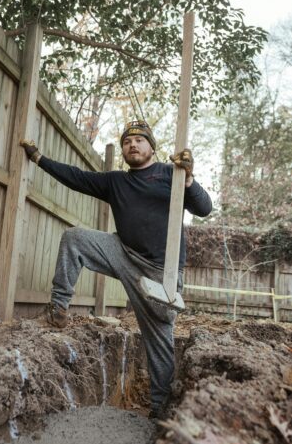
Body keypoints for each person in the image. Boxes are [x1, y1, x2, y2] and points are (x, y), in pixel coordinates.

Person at [21, 120, 212, 419]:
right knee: (75, 238)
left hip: (161, 274)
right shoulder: (115, 182)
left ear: (152, 147)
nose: (132, 144)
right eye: (127, 141)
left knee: (160, 337)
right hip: (123, 253)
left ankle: (161, 408)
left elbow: (204, 208)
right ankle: (58, 310)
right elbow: (76, 178)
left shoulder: (170, 174)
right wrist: (38, 158)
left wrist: (188, 179)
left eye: (139, 140)